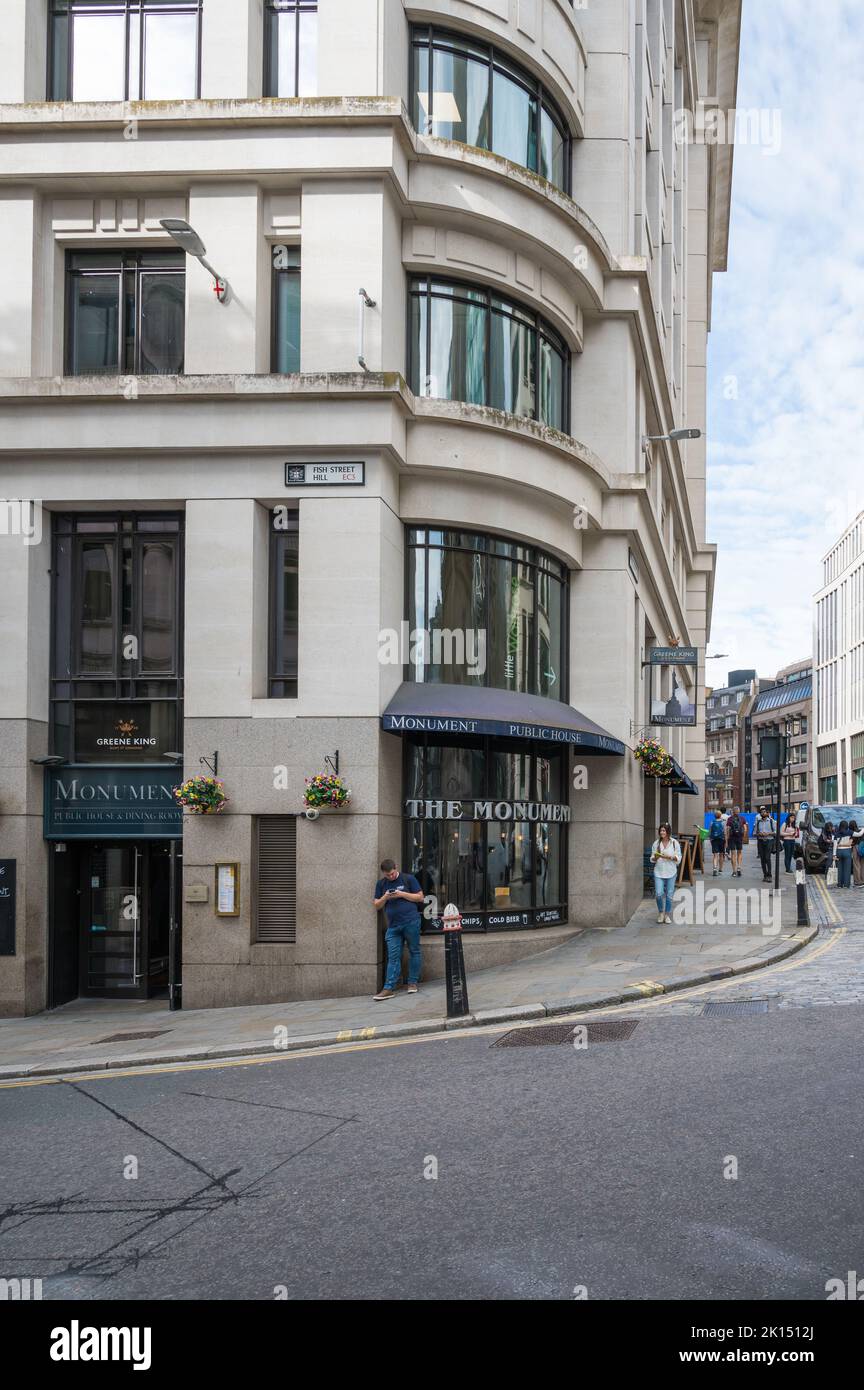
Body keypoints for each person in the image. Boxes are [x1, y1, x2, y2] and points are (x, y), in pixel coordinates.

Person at [372, 858, 425, 1000]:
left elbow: (420, 897)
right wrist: (385, 897)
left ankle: (412, 982)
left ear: (396, 867)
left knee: (414, 950)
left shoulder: (409, 879)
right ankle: (389, 988)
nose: (391, 877)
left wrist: (401, 894)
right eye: (387, 875)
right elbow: (377, 905)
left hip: (411, 922)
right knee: (393, 956)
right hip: (393, 926)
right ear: (383, 873)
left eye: (392, 873)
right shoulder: (381, 884)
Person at [649, 823, 681, 924]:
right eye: (661, 830)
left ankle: (667, 914)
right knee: (658, 894)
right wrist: (656, 857)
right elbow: (652, 858)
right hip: (659, 871)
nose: (662, 832)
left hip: (671, 872)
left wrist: (670, 857)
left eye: (664, 830)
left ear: (668, 831)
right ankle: (660, 912)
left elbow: (678, 858)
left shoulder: (674, 843)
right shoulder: (656, 843)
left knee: (669, 895)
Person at [754, 806, 776, 883]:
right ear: (760, 814)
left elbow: (776, 832)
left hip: (769, 841)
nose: (763, 813)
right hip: (760, 841)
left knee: (767, 858)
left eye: (764, 812)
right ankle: (765, 875)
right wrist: (759, 834)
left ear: (767, 813)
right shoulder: (758, 822)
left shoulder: (771, 821)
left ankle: (769, 876)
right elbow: (754, 833)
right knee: (762, 859)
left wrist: (768, 833)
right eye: (762, 812)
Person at [725, 805, 745, 877]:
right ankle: (739, 867)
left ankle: (734, 871)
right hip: (739, 838)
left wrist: (727, 839)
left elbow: (727, 829)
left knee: (733, 854)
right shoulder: (742, 818)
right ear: (739, 811)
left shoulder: (730, 819)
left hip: (732, 838)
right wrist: (743, 837)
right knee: (739, 853)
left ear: (733, 811)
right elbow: (745, 829)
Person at [834, 821, 854, 888]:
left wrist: (834, 855)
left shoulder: (836, 834)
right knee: (847, 869)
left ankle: (839, 884)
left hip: (839, 851)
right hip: (847, 851)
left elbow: (835, 845)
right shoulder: (850, 832)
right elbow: (859, 834)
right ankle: (846, 884)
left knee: (839, 869)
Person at [708, 811, 726, 876]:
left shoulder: (712, 822)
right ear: (720, 815)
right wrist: (726, 841)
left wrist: (711, 839)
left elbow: (709, 832)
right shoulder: (723, 822)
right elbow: (725, 832)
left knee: (715, 855)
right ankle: (720, 869)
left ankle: (715, 868)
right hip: (721, 839)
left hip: (714, 840)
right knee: (721, 855)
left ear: (714, 816)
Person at [851, 820, 864, 887]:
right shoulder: (861, 830)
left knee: (856, 865)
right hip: (863, 848)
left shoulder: (853, 832)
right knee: (862, 865)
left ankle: (858, 882)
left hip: (856, 848)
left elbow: (851, 842)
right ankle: (863, 880)